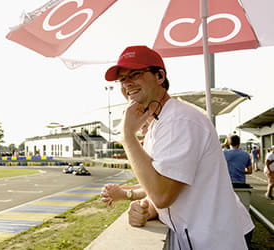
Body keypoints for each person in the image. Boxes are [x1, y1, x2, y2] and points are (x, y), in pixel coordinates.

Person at [104, 45, 254, 249]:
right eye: (122, 79)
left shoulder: (179, 121)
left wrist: (127, 136)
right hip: (195, 238)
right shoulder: (160, 122)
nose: (127, 83)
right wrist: (148, 209)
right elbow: (158, 186)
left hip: (212, 242)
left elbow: (162, 194)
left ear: (159, 76)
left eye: (135, 74)